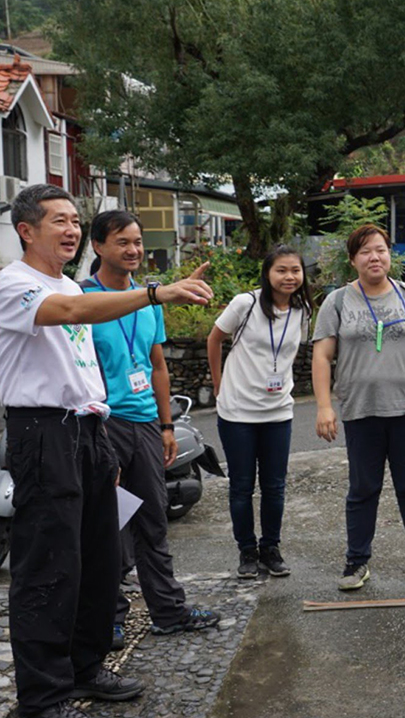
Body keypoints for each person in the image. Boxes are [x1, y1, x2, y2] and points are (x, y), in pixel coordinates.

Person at [0, 184, 211, 718]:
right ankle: (43, 698)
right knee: (50, 565)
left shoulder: (66, 280)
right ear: (26, 230)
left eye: (75, 219)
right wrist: (157, 292)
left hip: (91, 430)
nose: (71, 229)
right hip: (44, 433)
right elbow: (72, 310)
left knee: (98, 559)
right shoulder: (15, 283)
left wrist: (105, 441)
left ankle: (85, 667)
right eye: (59, 222)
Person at [81, 211, 220, 651]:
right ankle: (107, 618)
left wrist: (166, 425)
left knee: (152, 520)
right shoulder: (84, 298)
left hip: (144, 423)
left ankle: (168, 611)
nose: (134, 250)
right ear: (99, 246)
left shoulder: (147, 301)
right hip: (103, 424)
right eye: (123, 241)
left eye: (138, 241)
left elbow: (157, 365)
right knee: (107, 525)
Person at [312, 224, 405, 591]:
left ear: (390, 255)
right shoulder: (338, 301)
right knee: (362, 490)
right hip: (360, 412)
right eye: (365, 251)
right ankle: (356, 562)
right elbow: (323, 356)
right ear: (352, 259)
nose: (374, 257)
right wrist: (324, 406)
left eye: (381, 250)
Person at [207, 245, 313, 579]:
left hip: (278, 411)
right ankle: (246, 551)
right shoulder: (246, 303)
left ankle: (271, 548)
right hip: (237, 411)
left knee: (275, 486)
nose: (289, 277)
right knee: (241, 485)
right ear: (267, 273)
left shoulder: (302, 309)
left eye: (295, 270)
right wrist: (218, 384)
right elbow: (215, 339)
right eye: (281, 270)